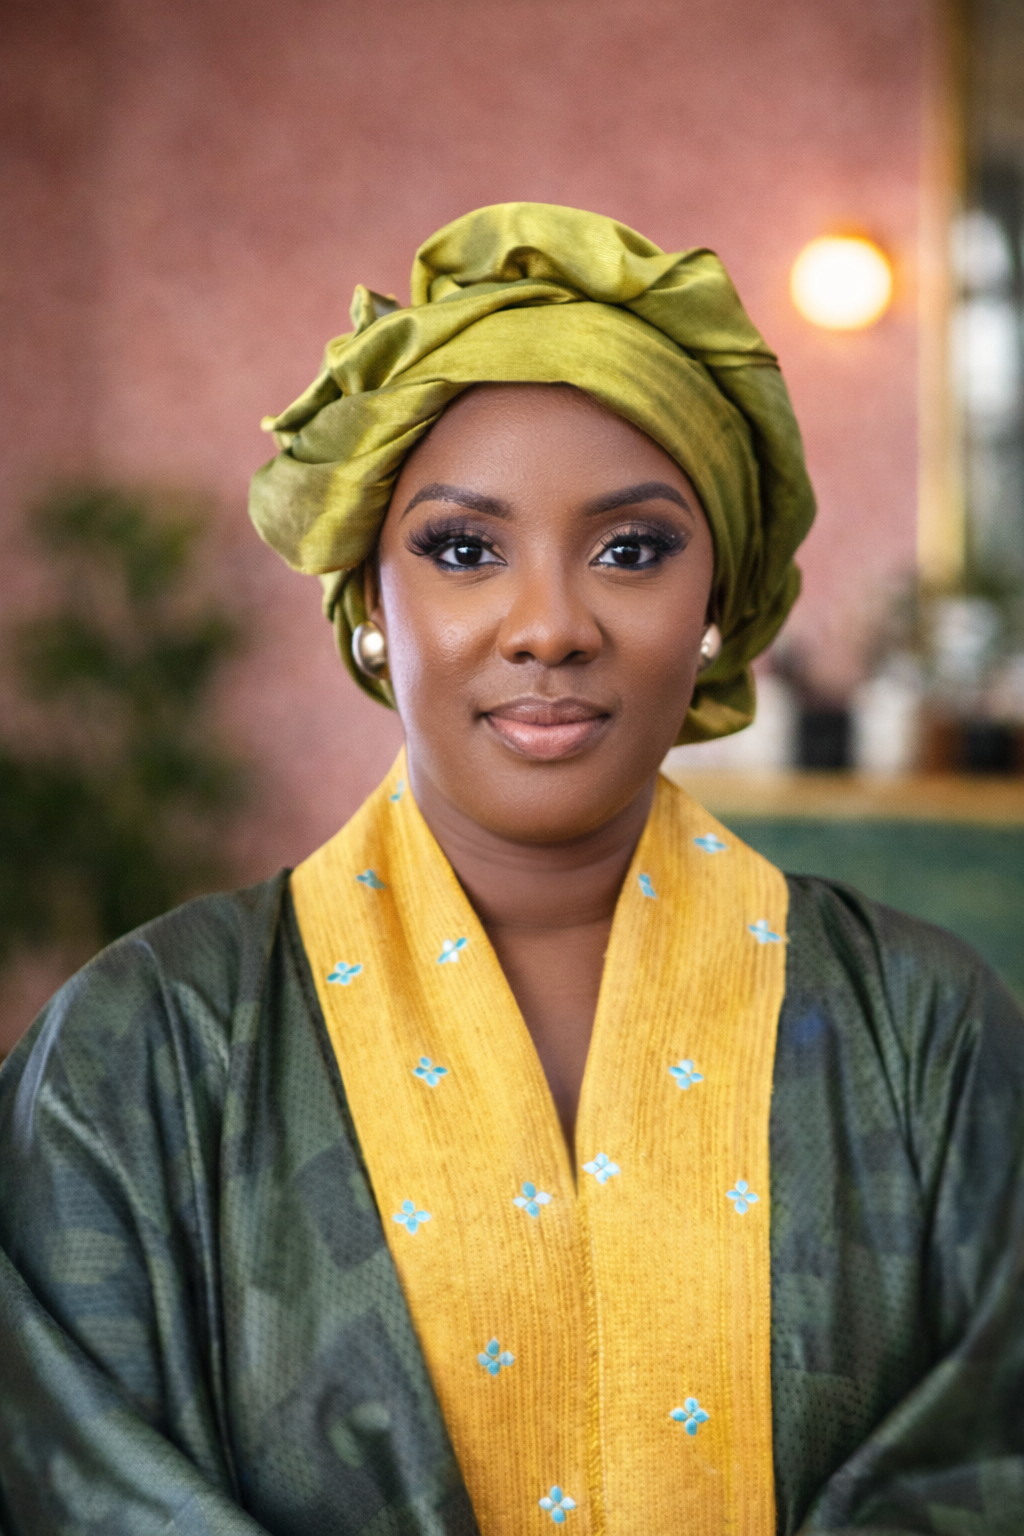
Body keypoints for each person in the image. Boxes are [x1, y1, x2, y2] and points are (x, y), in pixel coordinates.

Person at [1, 203, 1023, 1536]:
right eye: (464, 551)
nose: (548, 624)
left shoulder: (929, 1035)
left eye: (634, 549)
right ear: (372, 601)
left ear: (721, 604)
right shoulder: (138, 1052)